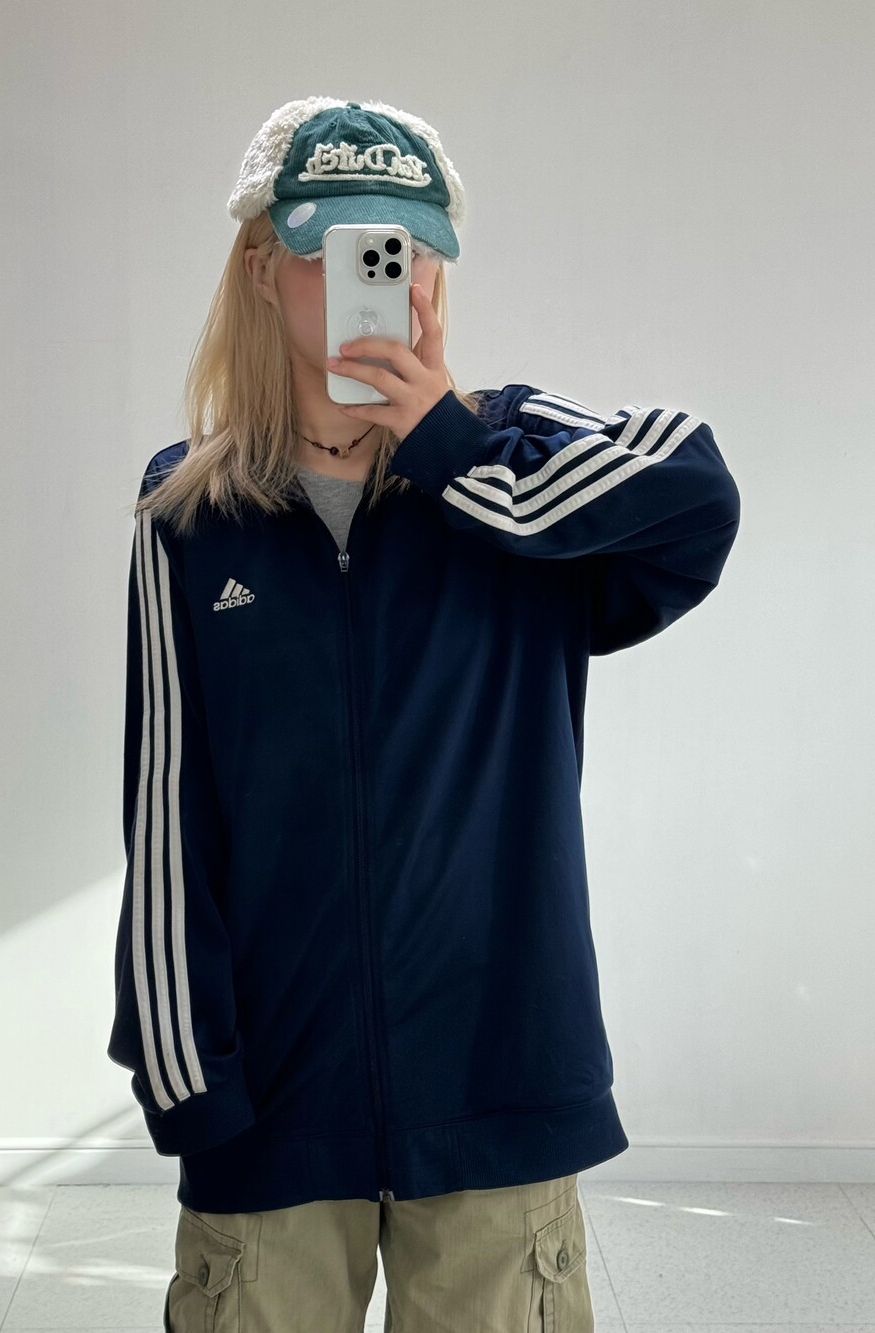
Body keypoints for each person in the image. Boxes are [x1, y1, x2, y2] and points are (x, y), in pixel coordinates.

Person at [106, 96, 741, 1333]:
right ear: (262, 268)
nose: (378, 283)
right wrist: (188, 1084)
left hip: (500, 1091)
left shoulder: (512, 457)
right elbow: (166, 815)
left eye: (404, 250)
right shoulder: (187, 514)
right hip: (270, 1107)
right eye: (338, 250)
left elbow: (695, 492)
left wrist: (449, 447)